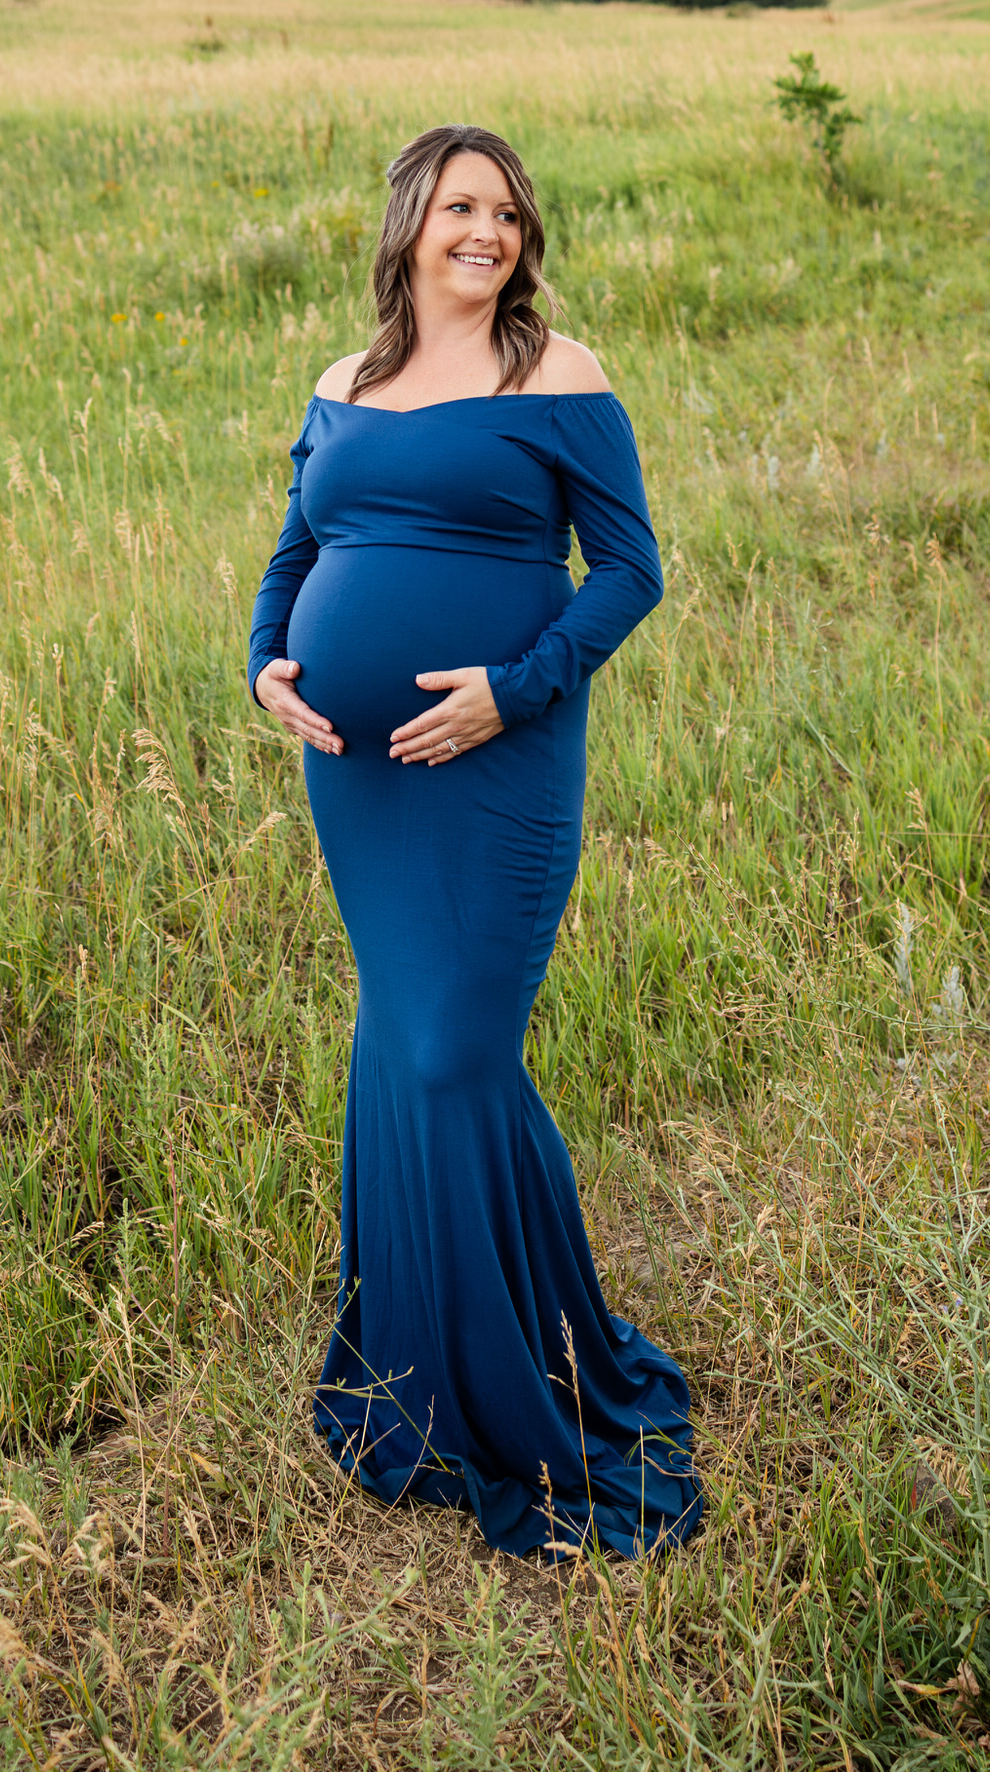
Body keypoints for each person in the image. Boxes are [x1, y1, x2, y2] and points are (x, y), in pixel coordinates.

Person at [247, 123, 702, 1558]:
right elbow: (299, 547)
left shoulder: (556, 375)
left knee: (453, 1050)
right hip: (358, 776)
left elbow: (630, 571)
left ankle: (527, 1375)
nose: (485, 233)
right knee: (402, 1041)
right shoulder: (345, 382)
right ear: (409, 225)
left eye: (506, 214)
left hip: (500, 766)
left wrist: (516, 689)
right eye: (460, 208)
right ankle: (414, 1370)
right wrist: (266, 664)